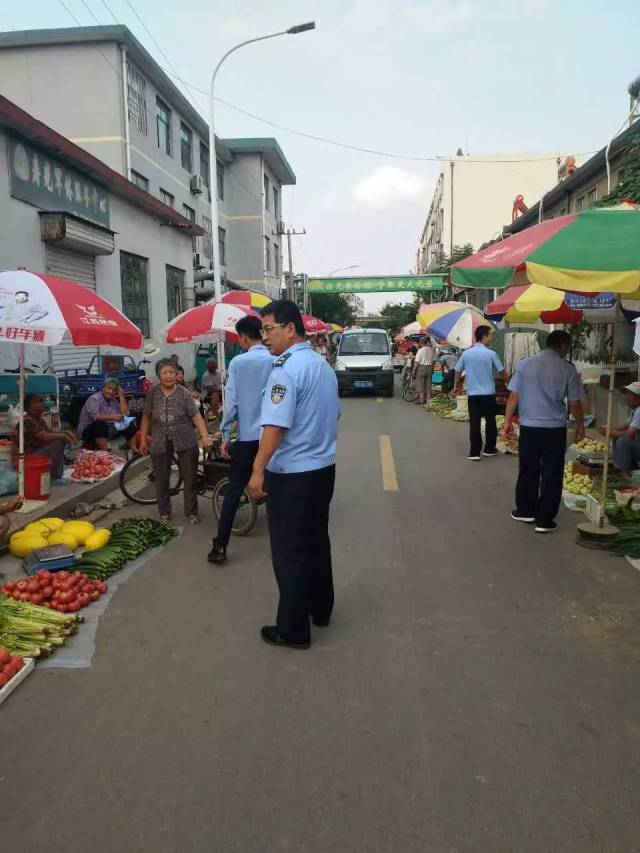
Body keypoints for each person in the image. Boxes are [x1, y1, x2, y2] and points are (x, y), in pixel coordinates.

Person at [248, 299, 340, 650]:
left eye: (269, 329)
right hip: (322, 469)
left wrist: (257, 471)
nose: (265, 337)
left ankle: (293, 629)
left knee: (289, 552)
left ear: (290, 328)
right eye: (262, 331)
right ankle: (321, 609)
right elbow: (336, 414)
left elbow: (275, 425)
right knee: (317, 541)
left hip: (292, 475)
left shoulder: (285, 370)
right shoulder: (322, 365)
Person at [503, 330, 585, 534]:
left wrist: (506, 422)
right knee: (552, 472)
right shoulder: (568, 369)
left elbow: (514, 396)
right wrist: (581, 425)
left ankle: (525, 510)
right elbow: (575, 404)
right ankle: (544, 520)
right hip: (554, 429)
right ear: (563, 347)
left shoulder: (524, 364)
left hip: (529, 427)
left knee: (528, 469)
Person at [208, 315, 273, 564]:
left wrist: (225, 435)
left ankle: (220, 546)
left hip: (247, 439)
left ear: (243, 337)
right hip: (273, 436)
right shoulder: (275, 360)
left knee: (234, 490)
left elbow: (232, 403)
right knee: (276, 485)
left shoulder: (238, 363)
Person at [139, 358, 212, 524]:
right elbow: (146, 417)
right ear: (159, 375)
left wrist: (204, 435)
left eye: (171, 372)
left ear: (176, 374)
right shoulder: (153, 392)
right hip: (159, 439)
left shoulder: (184, 393)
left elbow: (196, 416)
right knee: (162, 478)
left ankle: (191, 512)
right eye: (164, 373)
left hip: (185, 438)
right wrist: (143, 440)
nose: (169, 376)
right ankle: (164, 513)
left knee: (189, 477)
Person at [455, 326, 505, 460]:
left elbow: (458, 370)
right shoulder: (491, 354)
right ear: (483, 337)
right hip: (488, 394)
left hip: (473, 394)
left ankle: (474, 452)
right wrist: (509, 381)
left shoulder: (466, 353)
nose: (492, 338)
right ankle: (489, 449)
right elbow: (501, 370)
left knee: (474, 422)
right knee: (490, 421)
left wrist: (456, 386)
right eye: (490, 336)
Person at [15, 393, 75, 481]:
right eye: (35, 403)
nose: (39, 405)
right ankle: (55, 477)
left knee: (60, 439)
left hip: (38, 453)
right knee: (57, 443)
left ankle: (56, 473)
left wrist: (66, 432)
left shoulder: (40, 419)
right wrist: (63, 435)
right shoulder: (27, 420)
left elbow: (49, 432)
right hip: (28, 458)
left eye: (41, 402)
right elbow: (44, 436)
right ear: (28, 407)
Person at [76, 380, 137, 451]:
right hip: (88, 430)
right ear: (103, 388)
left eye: (114, 390)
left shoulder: (113, 400)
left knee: (128, 423)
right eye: (109, 388)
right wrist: (113, 417)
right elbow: (96, 417)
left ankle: (133, 449)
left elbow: (125, 414)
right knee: (99, 424)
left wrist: (121, 396)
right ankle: (105, 453)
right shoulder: (94, 399)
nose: (111, 392)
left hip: (108, 429)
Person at [598, 381, 640, 475]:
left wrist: (611, 431)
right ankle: (624, 468)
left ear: (637, 397)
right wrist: (609, 428)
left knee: (623, 442)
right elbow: (626, 426)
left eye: (629, 395)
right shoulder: (635, 409)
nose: (626, 397)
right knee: (616, 437)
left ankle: (622, 474)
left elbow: (629, 433)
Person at [412, 336, 436, 405]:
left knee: (420, 384)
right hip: (430, 368)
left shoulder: (420, 350)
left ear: (421, 342)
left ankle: (422, 400)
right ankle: (428, 399)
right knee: (428, 384)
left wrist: (414, 371)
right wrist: (433, 369)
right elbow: (434, 361)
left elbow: (416, 362)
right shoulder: (432, 350)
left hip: (421, 368)